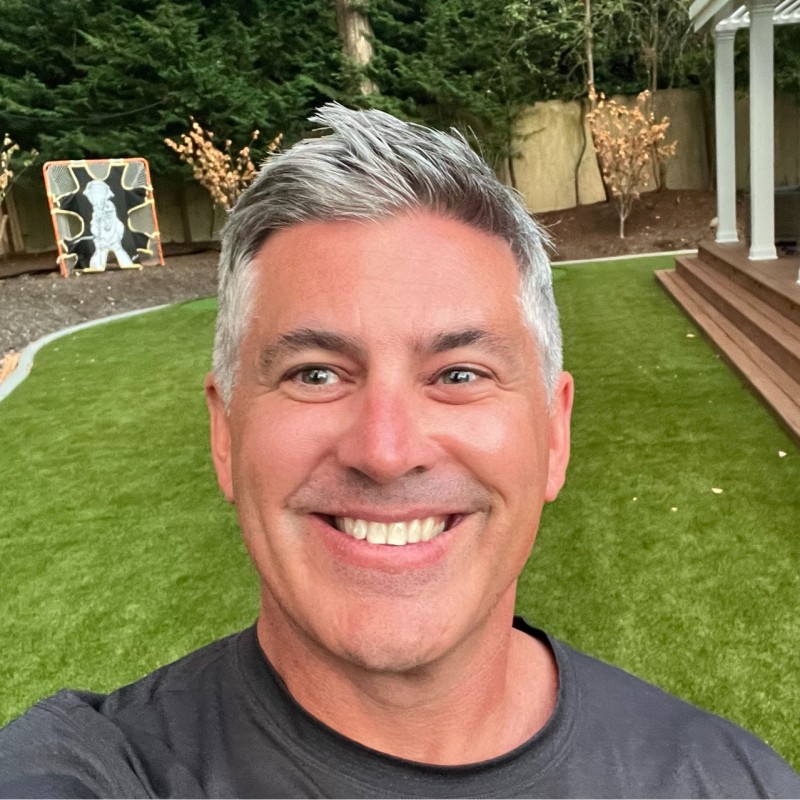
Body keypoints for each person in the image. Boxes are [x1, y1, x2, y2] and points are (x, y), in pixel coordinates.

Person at [0, 104, 798, 799]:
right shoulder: (99, 770)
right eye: (316, 373)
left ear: (554, 435)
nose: (385, 451)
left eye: (459, 374)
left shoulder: (733, 783)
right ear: (225, 433)